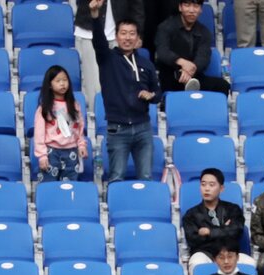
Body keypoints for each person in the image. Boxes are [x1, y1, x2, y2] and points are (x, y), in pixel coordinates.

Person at [91, 3, 161, 182]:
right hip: (118, 128)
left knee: (146, 177)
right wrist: (95, 14)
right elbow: (98, 41)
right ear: (116, 36)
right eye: (123, 33)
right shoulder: (107, 59)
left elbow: (158, 93)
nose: (127, 38)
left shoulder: (146, 64)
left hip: (143, 128)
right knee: (116, 176)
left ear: (138, 38)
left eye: (132, 34)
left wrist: (151, 96)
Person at [181, 171, 254, 269]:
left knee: (250, 263)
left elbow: (236, 231)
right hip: (205, 253)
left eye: (211, 185)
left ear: (221, 188)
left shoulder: (233, 209)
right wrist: (224, 229)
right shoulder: (191, 214)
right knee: (197, 263)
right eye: (203, 184)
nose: (206, 188)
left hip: (231, 252)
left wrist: (209, 232)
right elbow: (194, 240)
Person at [155, 0, 228, 94]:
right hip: (171, 77)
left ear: (201, 9)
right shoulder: (165, 28)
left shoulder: (204, 32)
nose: (191, 10)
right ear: (180, 7)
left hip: (195, 76)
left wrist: (191, 69)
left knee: (223, 85)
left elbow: (203, 57)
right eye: (187, 5)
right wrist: (182, 62)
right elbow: (162, 51)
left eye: (196, 6)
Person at [33, 65, 88, 182]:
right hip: (52, 152)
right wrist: (42, 155)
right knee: (49, 186)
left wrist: (81, 145)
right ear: (49, 84)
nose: (62, 84)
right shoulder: (45, 108)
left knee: (69, 187)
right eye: (58, 81)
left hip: (71, 152)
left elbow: (79, 128)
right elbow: (39, 134)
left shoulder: (74, 105)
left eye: (65, 80)